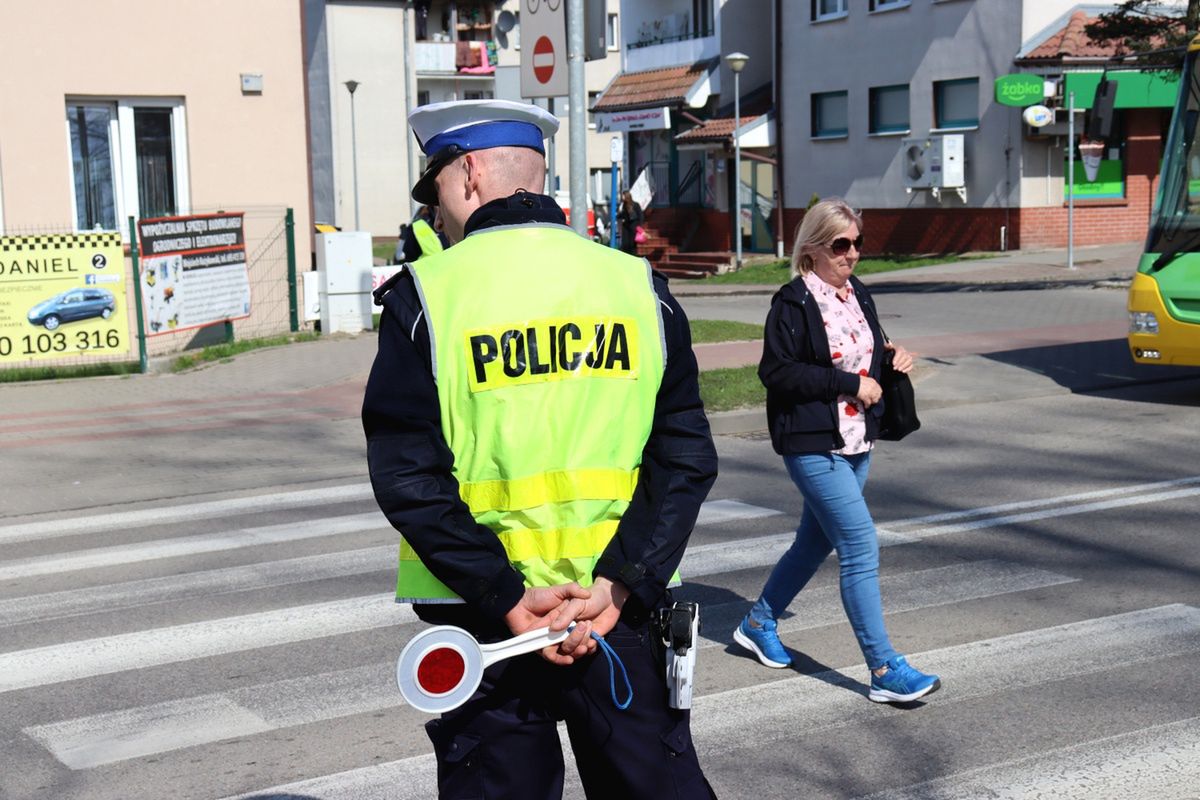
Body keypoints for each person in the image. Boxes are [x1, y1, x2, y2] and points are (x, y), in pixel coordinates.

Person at [363, 98, 719, 799]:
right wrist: (621, 582)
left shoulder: (426, 298)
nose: (434, 217)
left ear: (466, 176)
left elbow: (407, 474)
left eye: (434, 193)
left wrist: (506, 596)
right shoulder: (636, 286)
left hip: (487, 623)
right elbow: (684, 455)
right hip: (617, 611)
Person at [731, 198, 941, 705]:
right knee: (860, 547)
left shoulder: (856, 294)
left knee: (814, 543)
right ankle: (884, 668)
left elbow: (871, 357)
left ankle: (758, 622)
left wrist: (895, 361)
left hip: (856, 441)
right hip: (811, 443)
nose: (852, 255)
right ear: (813, 248)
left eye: (857, 244)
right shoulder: (793, 302)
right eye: (840, 245)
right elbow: (777, 373)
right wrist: (849, 383)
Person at [617, 190, 643, 255]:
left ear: (626, 196)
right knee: (625, 244)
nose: (621, 197)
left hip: (633, 226)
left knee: (632, 245)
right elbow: (624, 214)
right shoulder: (624, 205)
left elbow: (640, 216)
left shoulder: (635, 205)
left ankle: (633, 257)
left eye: (623, 196)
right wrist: (618, 215)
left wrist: (639, 226)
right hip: (626, 227)